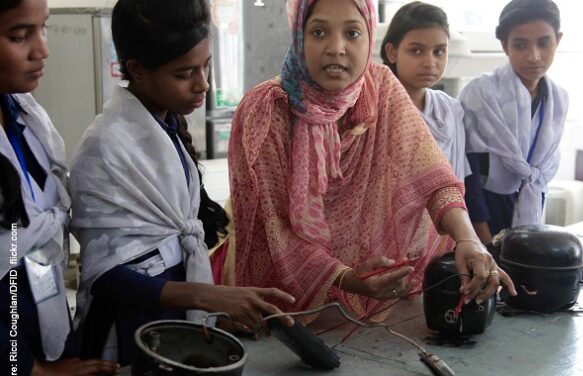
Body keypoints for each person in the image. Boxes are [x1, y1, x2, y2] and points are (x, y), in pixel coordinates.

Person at [228, 0, 516, 319]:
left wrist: (468, 239)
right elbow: (274, 228)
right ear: (298, 36)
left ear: (369, 40)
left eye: (352, 33)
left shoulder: (380, 89)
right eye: (319, 31)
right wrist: (347, 279)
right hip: (289, 305)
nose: (336, 48)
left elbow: (431, 175)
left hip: (374, 297)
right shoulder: (266, 110)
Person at [69, 0, 294, 366]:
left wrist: (215, 307)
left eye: (206, 66)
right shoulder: (105, 149)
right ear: (138, 71)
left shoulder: (167, 125)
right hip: (125, 327)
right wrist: (208, 298)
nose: (202, 84)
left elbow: (172, 253)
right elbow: (106, 277)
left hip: (171, 315)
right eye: (184, 73)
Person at [0, 0, 119, 374]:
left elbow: (35, 242)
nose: (43, 50)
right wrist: (33, 369)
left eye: (43, 28)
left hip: (39, 313)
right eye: (20, 36)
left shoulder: (25, 117)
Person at [460, 0, 567, 244]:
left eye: (544, 43)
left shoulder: (559, 99)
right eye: (520, 45)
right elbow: (468, 177)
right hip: (484, 213)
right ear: (504, 46)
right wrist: (485, 245)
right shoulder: (480, 94)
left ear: (557, 40)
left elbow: (537, 176)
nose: (534, 56)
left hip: (529, 210)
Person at [381, 1, 470, 180]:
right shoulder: (377, 109)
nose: (430, 63)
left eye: (438, 52)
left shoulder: (450, 109)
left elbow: (457, 178)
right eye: (416, 50)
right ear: (392, 52)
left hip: (447, 207)